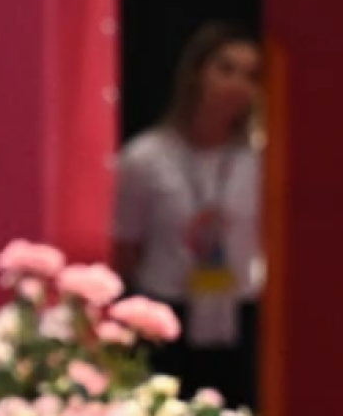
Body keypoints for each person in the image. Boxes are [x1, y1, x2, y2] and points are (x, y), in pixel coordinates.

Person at [112, 23, 265, 408]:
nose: (236, 84)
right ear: (197, 72)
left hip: (240, 313)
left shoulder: (261, 158)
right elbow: (125, 248)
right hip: (168, 310)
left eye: (250, 76)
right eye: (226, 69)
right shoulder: (145, 158)